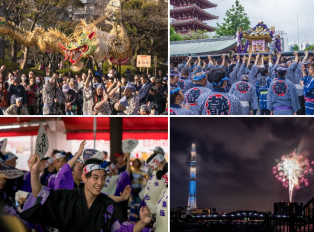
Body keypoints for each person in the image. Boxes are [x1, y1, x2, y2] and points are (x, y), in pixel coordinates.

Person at [21, 155, 152, 232]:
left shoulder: (108, 205)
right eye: (95, 178)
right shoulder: (69, 196)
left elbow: (122, 230)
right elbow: (40, 193)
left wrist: (142, 222)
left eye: (103, 178)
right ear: (85, 178)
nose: (100, 183)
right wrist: (34, 172)